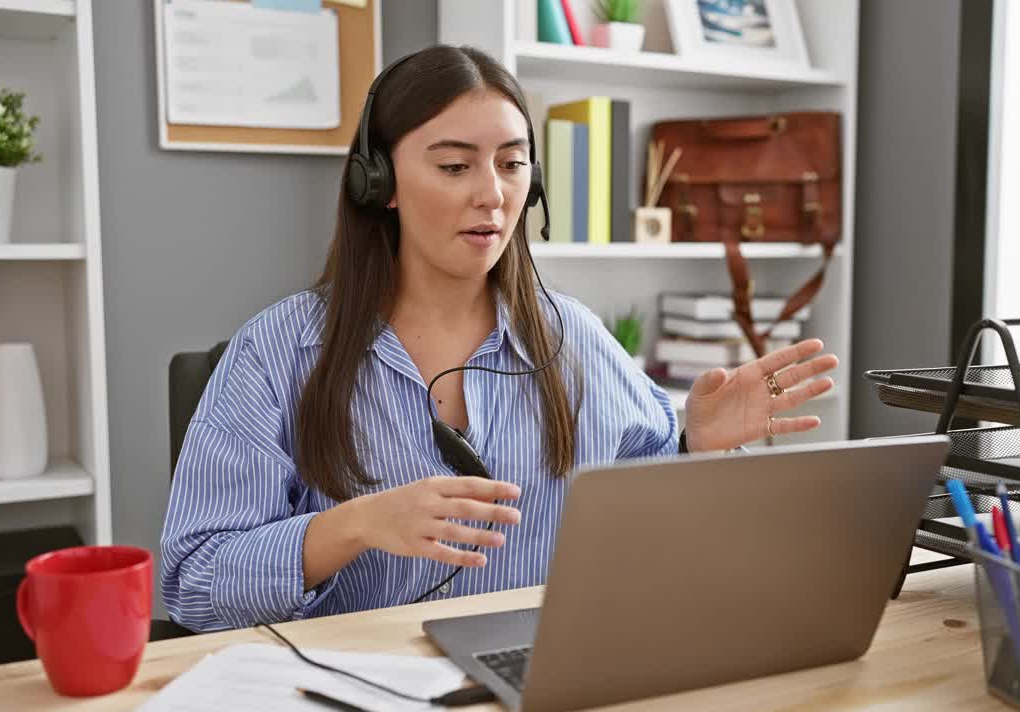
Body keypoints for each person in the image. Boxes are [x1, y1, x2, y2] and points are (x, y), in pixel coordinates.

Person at [160, 44, 838, 633]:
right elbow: (191, 582)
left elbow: (648, 507)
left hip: (541, 676)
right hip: (357, 688)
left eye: (512, 165)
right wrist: (355, 526)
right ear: (381, 183)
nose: (492, 194)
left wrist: (696, 443)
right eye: (455, 167)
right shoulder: (279, 351)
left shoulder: (573, 338)